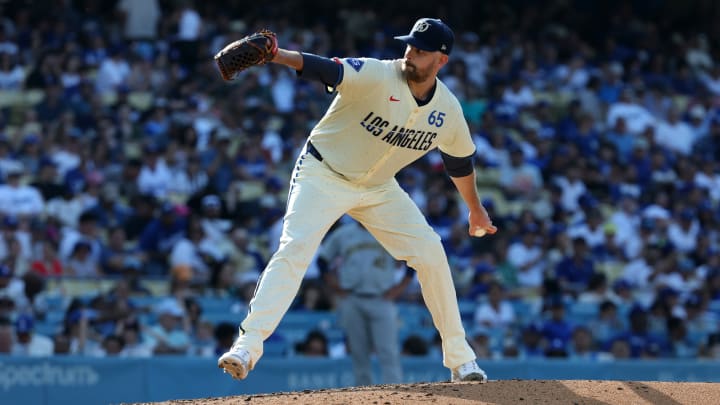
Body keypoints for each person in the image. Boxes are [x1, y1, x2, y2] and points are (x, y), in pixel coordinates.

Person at [217, 18, 497, 383]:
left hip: (378, 187)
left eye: (422, 50)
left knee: (430, 251)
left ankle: (461, 361)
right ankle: (247, 345)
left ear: (441, 61)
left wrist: (475, 209)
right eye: (410, 46)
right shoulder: (379, 74)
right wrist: (276, 55)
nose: (411, 54)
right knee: (295, 247)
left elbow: (459, 163)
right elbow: (326, 69)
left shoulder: (448, 110)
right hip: (324, 172)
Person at [318, 218, 412, 385]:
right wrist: (335, 285)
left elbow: (413, 259)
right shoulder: (343, 234)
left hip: (382, 298)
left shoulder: (389, 231)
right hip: (353, 298)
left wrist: (400, 287)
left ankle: (396, 394)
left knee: (388, 351)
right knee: (359, 352)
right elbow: (322, 261)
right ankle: (364, 396)